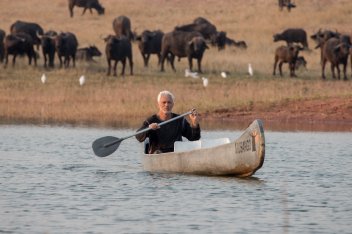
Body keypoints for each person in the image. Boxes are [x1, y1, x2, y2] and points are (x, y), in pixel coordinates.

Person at [135, 90, 200, 154]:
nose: (166, 105)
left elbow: (194, 138)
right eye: (164, 102)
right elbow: (138, 137)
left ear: (173, 104)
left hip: (176, 155)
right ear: (158, 104)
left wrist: (195, 124)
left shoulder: (180, 120)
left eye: (169, 102)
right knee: (157, 152)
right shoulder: (151, 120)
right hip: (157, 156)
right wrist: (148, 129)